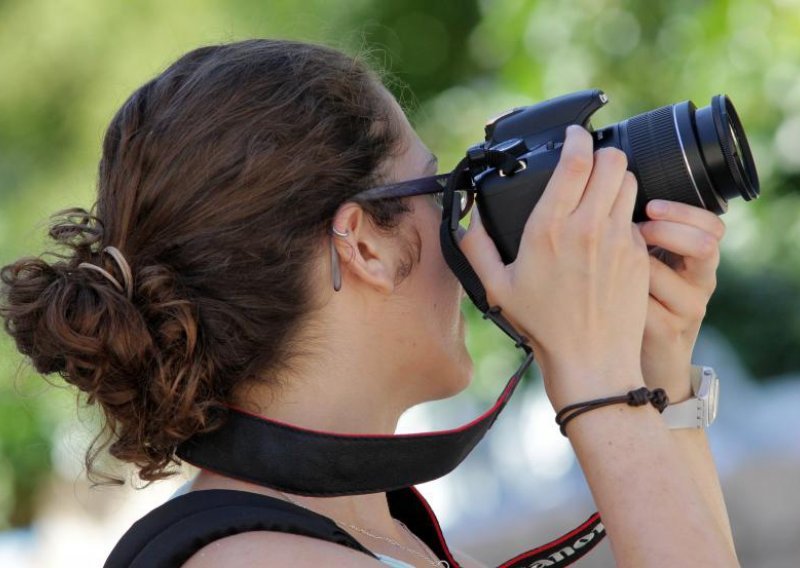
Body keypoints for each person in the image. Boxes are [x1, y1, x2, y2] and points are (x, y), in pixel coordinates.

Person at [0, 39, 739, 567]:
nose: (466, 225)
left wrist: (655, 374)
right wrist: (597, 381)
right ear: (362, 243)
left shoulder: (374, 535)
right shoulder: (258, 562)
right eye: (438, 190)